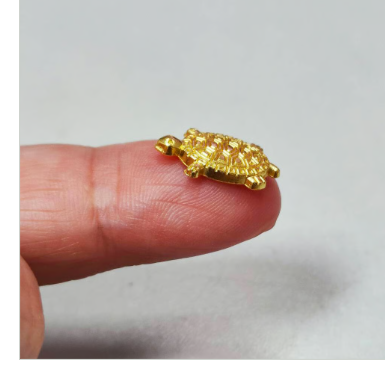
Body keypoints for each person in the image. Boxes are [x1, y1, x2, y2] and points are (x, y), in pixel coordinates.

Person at [20, 140, 281, 358]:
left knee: (254, 185)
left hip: (236, 158)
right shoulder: (190, 148)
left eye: (166, 148)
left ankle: (258, 174)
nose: (163, 149)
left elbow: (203, 165)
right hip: (229, 151)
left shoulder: (194, 158)